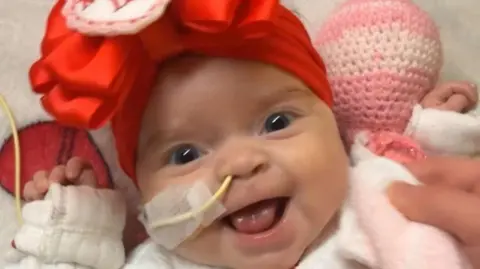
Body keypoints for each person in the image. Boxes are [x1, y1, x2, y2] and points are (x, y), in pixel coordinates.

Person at [4, 0, 478, 269]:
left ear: (332, 125)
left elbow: (437, 189)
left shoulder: (370, 196)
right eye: (185, 154)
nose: (238, 164)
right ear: (145, 206)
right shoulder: (164, 262)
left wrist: (435, 131)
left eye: (277, 123)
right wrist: (75, 232)